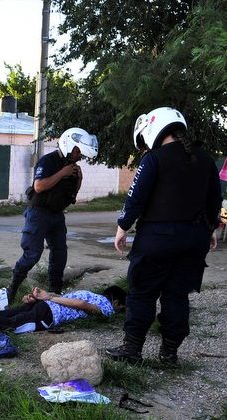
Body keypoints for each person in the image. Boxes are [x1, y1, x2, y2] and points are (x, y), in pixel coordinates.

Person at [106, 107, 222, 367]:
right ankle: (169, 354)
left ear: (153, 129)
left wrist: (122, 226)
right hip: (194, 240)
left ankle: (132, 349)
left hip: (158, 238)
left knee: (142, 293)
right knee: (177, 295)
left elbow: (136, 196)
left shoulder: (154, 158)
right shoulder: (204, 159)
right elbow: (215, 198)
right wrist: (211, 228)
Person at [6, 128, 99, 303]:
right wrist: (62, 173)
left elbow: (72, 195)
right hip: (38, 213)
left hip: (56, 215)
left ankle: (54, 293)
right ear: (68, 145)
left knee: (59, 253)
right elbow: (39, 186)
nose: (79, 155)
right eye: (77, 150)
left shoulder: (73, 169)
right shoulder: (48, 161)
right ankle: (12, 289)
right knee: (33, 253)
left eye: (80, 153)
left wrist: (78, 180)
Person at [0, 286, 126, 337]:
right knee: (9, 324)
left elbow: (76, 299)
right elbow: (82, 305)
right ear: (115, 301)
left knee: (1, 315)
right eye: (121, 308)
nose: (118, 312)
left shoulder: (89, 292)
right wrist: (49, 297)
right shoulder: (106, 305)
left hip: (43, 306)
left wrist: (42, 297)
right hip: (49, 314)